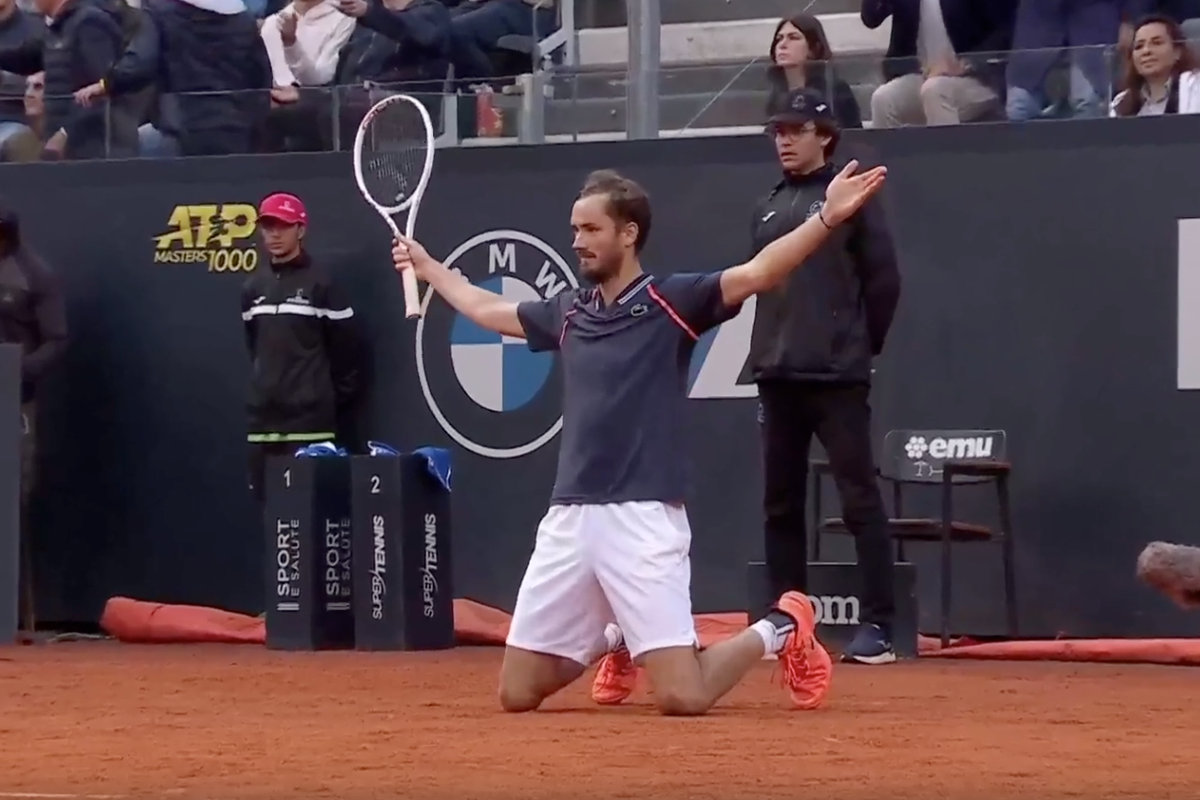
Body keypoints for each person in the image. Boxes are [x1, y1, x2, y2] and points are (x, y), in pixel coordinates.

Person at [390, 161, 889, 715]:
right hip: (570, 519)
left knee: (683, 696)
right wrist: (430, 268)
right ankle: (619, 635)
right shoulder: (567, 313)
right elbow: (487, 308)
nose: (577, 242)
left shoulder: (674, 301)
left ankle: (782, 624)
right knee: (517, 692)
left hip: (643, 518)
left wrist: (825, 218)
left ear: (628, 234)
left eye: (591, 229)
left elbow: (759, 273)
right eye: (575, 229)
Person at [741, 88, 901, 665]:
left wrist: (857, 346)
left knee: (858, 498)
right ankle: (785, 622)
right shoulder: (766, 204)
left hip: (837, 376)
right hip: (776, 372)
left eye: (795, 129)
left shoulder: (850, 195)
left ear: (825, 136)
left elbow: (883, 281)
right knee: (779, 504)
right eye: (777, 131)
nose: (783, 140)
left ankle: (880, 626)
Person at [242, 193, 360, 513]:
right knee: (273, 514)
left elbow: (347, 350)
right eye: (268, 226)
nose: (274, 234)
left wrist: (322, 397)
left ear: (301, 229)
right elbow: (255, 346)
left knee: (312, 513)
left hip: (311, 422)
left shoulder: (322, 284)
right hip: (264, 422)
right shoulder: (253, 288)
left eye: (283, 226)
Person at [0, 199, 67, 633]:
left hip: (14, 401)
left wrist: (17, 372)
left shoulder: (34, 274)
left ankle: (17, 614)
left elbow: (57, 339)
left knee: (13, 500)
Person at [863, 0, 1017, 127]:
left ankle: (944, 156)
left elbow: (1006, 29)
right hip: (924, 75)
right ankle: (891, 156)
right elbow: (871, 18)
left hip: (979, 77)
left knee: (935, 91)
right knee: (883, 99)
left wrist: (966, 62)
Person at [766, 13, 862, 129]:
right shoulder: (774, 93)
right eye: (779, 38)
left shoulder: (834, 90)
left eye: (793, 38)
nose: (782, 44)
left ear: (814, 48)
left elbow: (851, 134)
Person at [1111, 14, 1200, 115]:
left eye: (1157, 43)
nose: (1146, 51)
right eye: (1139, 46)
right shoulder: (1121, 102)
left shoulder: (1195, 87)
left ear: (1177, 52)